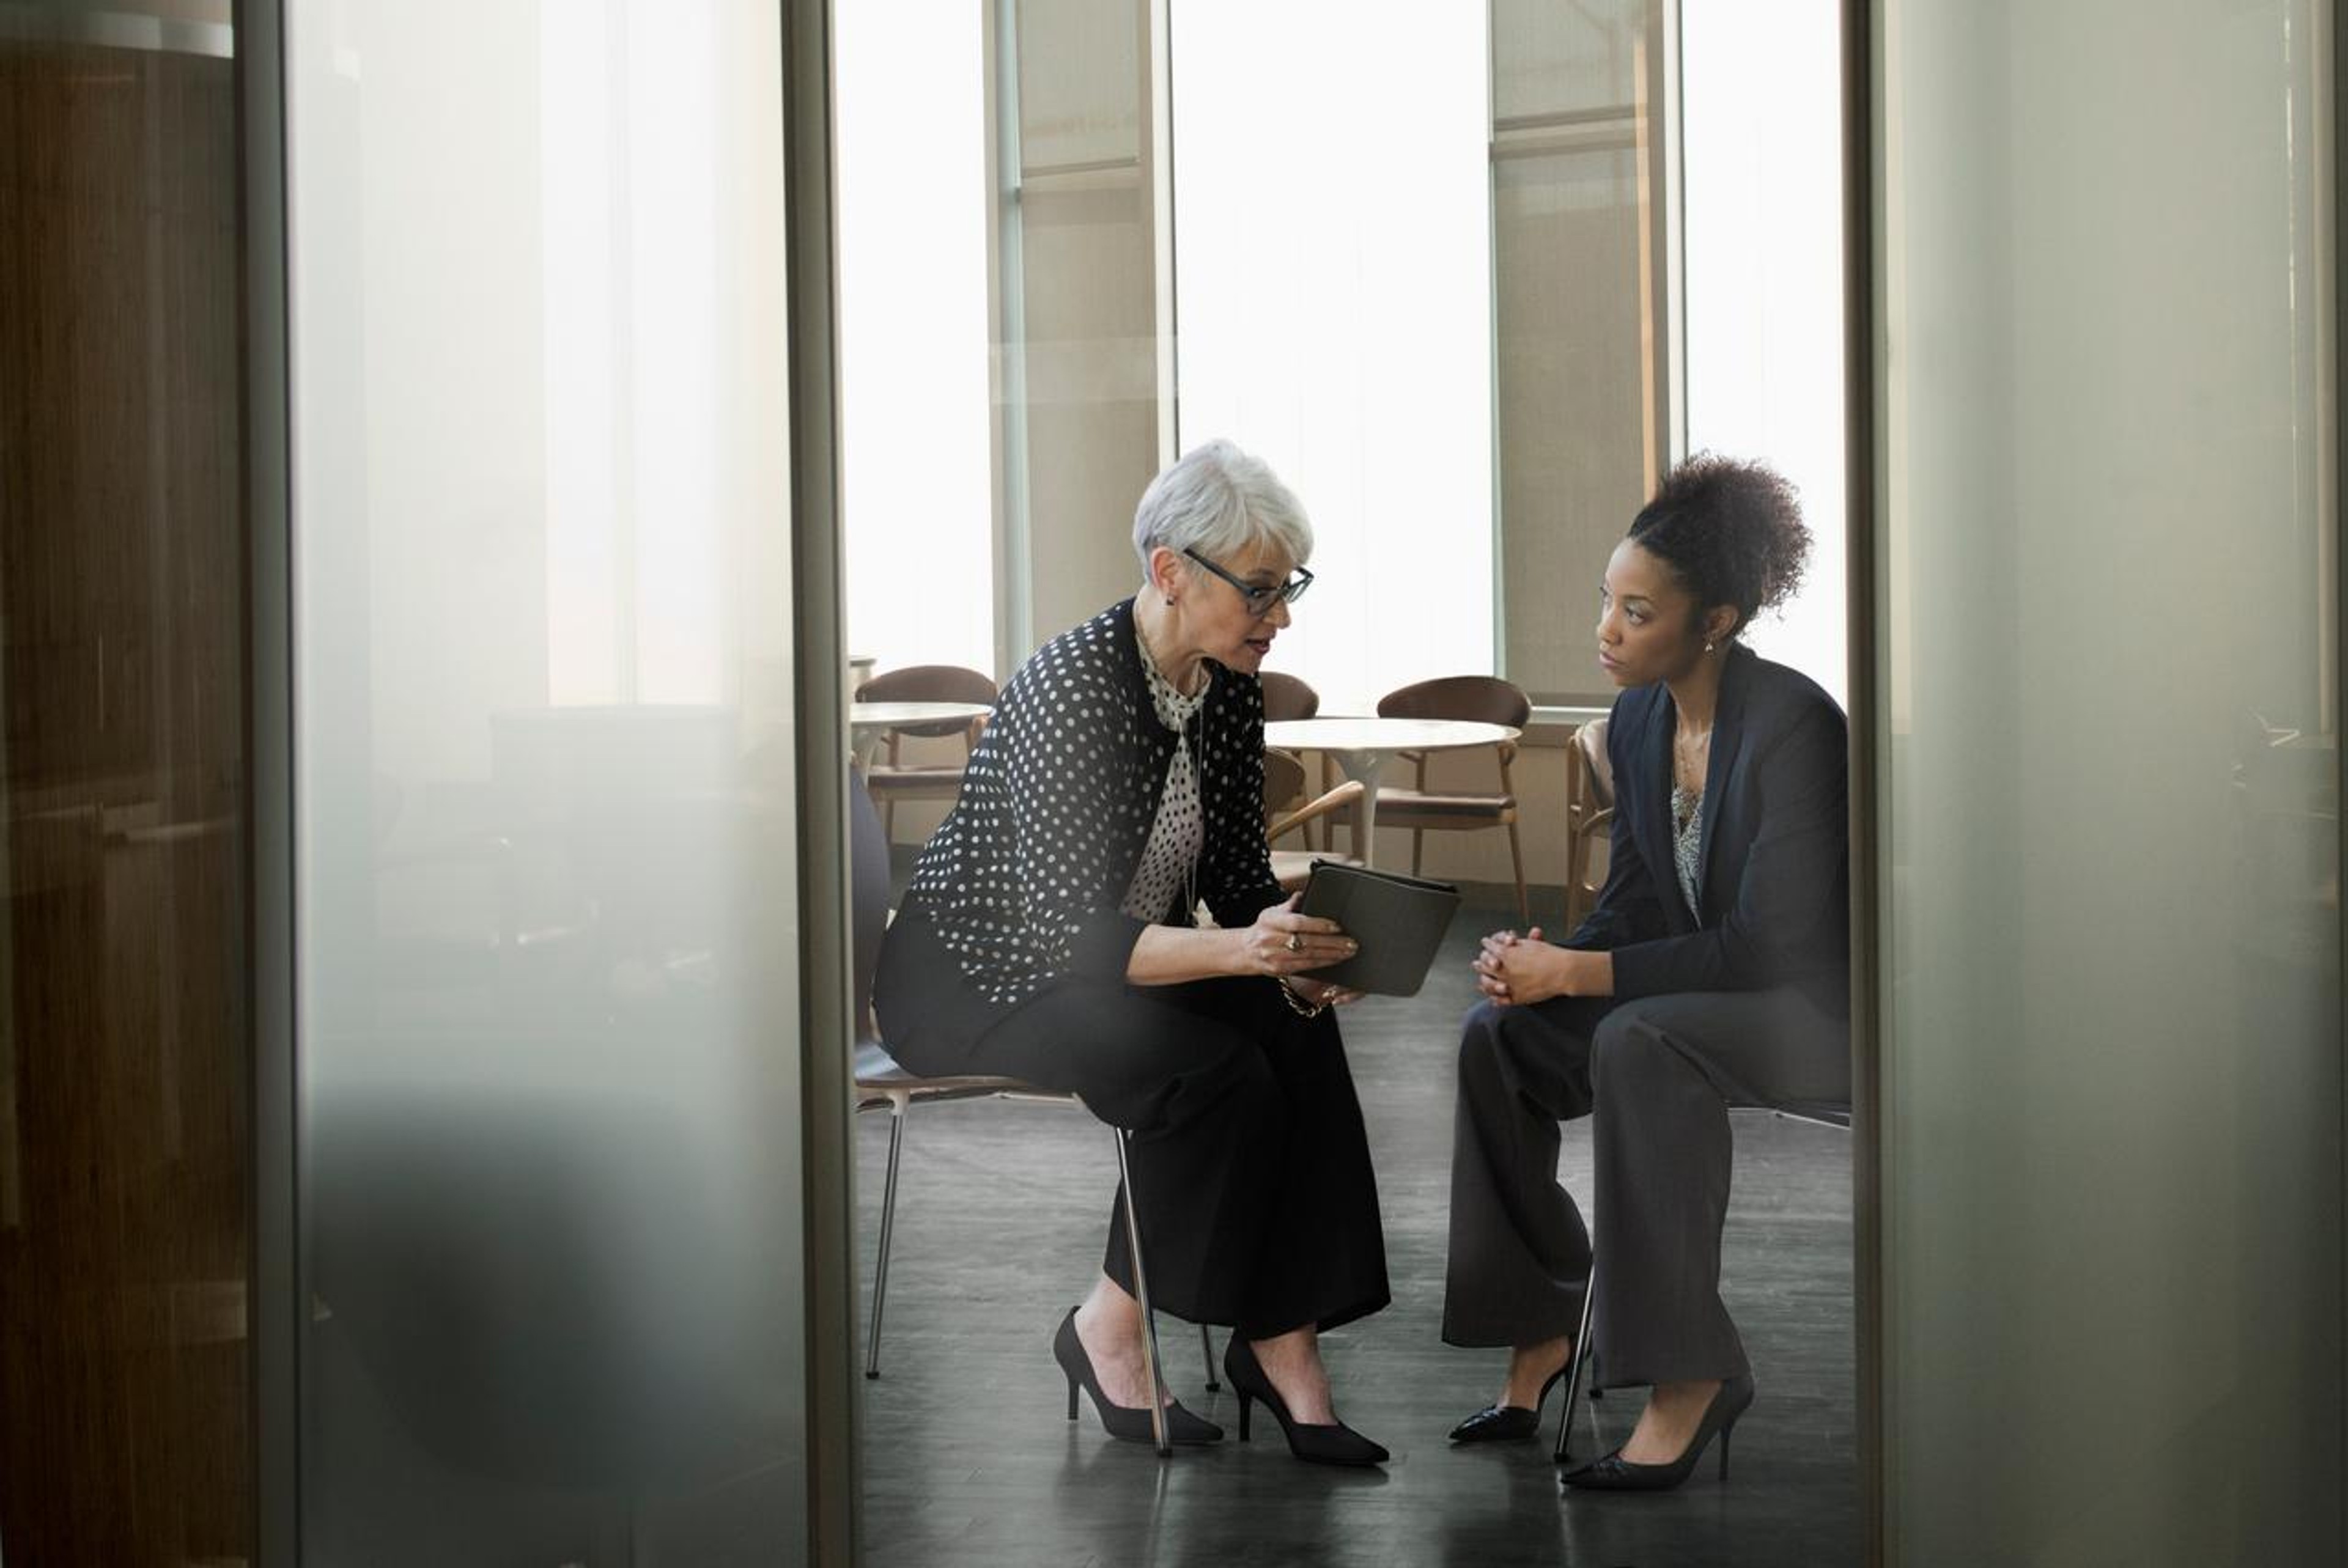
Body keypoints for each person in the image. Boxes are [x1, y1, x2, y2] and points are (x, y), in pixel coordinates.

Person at [872, 439, 1391, 1467]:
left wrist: (1287, 952)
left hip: (1096, 962)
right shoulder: (1075, 688)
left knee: (1292, 1034)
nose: (1279, 615)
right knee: (1212, 1073)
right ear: (1170, 572)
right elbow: (1073, 939)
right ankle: (1108, 1327)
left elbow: (1236, 879)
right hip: (976, 978)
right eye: (1260, 589)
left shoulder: (1229, 687)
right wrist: (1242, 952)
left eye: (1288, 588)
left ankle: (1283, 1347)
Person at [1439, 454, 1848, 1490]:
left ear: (1716, 619)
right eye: (1605, 603)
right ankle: (1539, 1330)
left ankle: (1689, 1376)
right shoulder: (1636, 720)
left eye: (1636, 611)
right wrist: (1545, 961)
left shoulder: (1797, 725)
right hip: (1701, 993)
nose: (1607, 631)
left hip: (1814, 1012)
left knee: (1637, 1035)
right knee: (1499, 1036)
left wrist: (1581, 981)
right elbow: (1633, 903)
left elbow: (1767, 941)